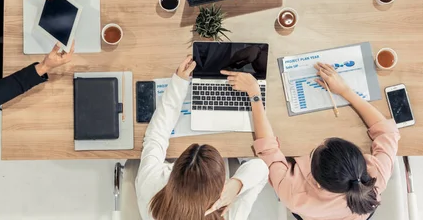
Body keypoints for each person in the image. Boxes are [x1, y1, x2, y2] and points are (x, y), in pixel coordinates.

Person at [222, 63, 400, 220]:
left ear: (317, 182)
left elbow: (267, 150)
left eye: (315, 151)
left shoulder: (292, 193)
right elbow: (388, 132)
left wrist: (254, 94)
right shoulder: (376, 177)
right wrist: (345, 91)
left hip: (308, 212)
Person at [135, 55, 269, 220]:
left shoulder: (150, 189)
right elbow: (262, 168)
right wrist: (236, 185)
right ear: (221, 190)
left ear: (173, 178)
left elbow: (155, 137)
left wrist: (179, 83)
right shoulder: (229, 215)